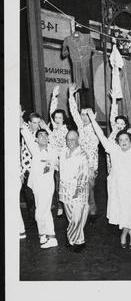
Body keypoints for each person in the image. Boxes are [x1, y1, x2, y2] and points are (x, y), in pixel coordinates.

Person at [88, 110, 131, 248]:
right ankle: (130, 234)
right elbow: (100, 135)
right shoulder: (113, 149)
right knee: (124, 210)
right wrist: (92, 119)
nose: (124, 142)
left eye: (126, 140)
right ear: (117, 142)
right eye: (121, 140)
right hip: (118, 186)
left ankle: (126, 234)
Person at [19, 109, 59, 249]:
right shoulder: (35, 149)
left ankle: (48, 236)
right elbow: (24, 131)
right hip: (36, 186)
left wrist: (46, 127)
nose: (43, 137)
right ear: (36, 139)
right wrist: (19, 116)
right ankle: (47, 236)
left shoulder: (52, 151)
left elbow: (54, 140)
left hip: (47, 187)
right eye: (40, 135)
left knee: (41, 213)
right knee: (43, 212)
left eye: (45, 135)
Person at [68, 85, 100, 217]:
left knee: (88, 189)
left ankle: (92, 211)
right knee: (81, 189)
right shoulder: (81, 126)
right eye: (83, 115)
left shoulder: (95, 129)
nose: (84, 117)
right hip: (79, 163)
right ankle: (85, 211)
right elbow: (74, 112)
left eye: (87, 115)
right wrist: (71, 95)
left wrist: (91, 168)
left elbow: (92, 152)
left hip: (90, 166)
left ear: (94, 115)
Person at [57, 128, 90, 251]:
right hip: (65, 190)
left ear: (77, 140)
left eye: (73, 139)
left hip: (78, 191)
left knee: (77, 217)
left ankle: (72, 238)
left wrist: (78, 190)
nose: (70, 141)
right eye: (68, 139)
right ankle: (78, 240)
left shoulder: (82, 154)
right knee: (70, 217)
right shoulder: (63, 152)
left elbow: (84, 174)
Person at [49, 85, 69, 217]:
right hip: (53, 160)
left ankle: (62, 205)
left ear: (63, 119)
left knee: (61, 183)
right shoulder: (54, 127)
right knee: (54, 183)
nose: (57, 120)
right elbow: (51, 111)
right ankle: (57, 204)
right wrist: (54, 97)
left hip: (62, 161)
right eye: (56, 118)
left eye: (59, 118)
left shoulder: (65, 130)